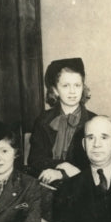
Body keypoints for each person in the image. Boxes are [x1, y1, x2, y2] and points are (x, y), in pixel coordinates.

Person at [26, 58, 96, 189]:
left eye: (77, 85)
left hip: (83, 187)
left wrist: (63, 173)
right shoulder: (43, 120)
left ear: (83, 88)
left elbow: (96, 163)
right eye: (65, 86)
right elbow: (35, 160)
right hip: (48, 185)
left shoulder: (94, 121)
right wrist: (60, 167)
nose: (72, 91)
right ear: (55, 90)